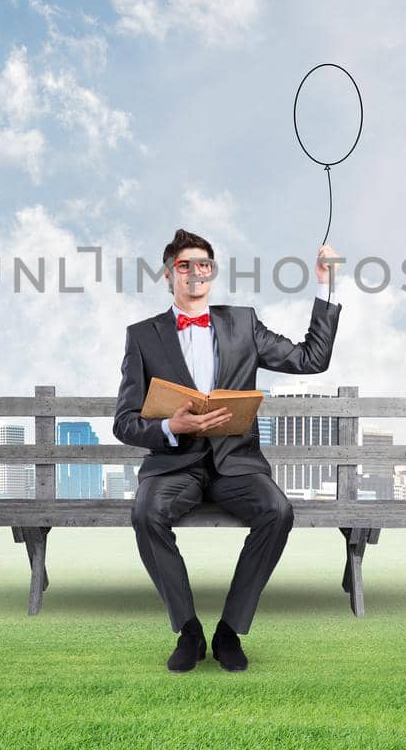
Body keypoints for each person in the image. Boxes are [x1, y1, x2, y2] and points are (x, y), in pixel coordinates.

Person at [113, 227, 341, 672]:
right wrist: (170, 426)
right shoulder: (142, 335)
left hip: (237, 463)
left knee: (278, 511)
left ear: (212, 273)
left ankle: (230, 630)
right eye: (184, 266)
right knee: (145, 514)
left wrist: (324, 283)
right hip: (176, 464)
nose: (195, 273)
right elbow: (124, 421)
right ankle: (189, 630)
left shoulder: (243, 322)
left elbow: (312, 359)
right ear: (168, 275)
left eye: (204, 265)